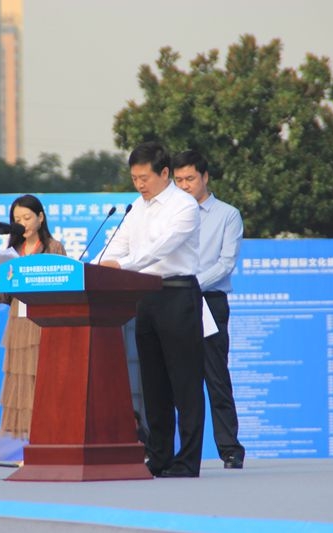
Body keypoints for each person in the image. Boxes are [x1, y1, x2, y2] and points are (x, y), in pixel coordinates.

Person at [98, 141, 205, 478]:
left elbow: (160, 249)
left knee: (185, 383)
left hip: (177, 295)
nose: (139, 184)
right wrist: (94, 268)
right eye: (134, 178)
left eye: (144, 177)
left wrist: (122, 266)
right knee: (153, 384)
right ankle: (159, 456)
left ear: (164, 173)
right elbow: (115, 247)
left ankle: (187, 461)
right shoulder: (135, 209)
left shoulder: (183, 205)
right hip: (144, 298)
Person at [173, 149, 246, 470]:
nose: (184, 185)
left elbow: (226, 263)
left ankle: (230, 449)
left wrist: (191, 285)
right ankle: (176, 451)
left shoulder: (227, 215)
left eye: (189, 178)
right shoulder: (171, 215)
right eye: (178, 180)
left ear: (205, 177)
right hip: (173, 300)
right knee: (176, 379)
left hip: (207, 300)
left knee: (216, 377)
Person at [0, 194, 66, 439]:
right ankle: (33, 442)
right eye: (17, 219)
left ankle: (51, 437)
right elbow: (4, 298)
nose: (22, 223)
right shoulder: (12, 252)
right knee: (22, 385)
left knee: (46, 381)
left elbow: (63, 288)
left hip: (44, 323)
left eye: (27, 217)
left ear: (40, 217)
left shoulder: (53, 247)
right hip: (19, 323)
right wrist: (0, 278)